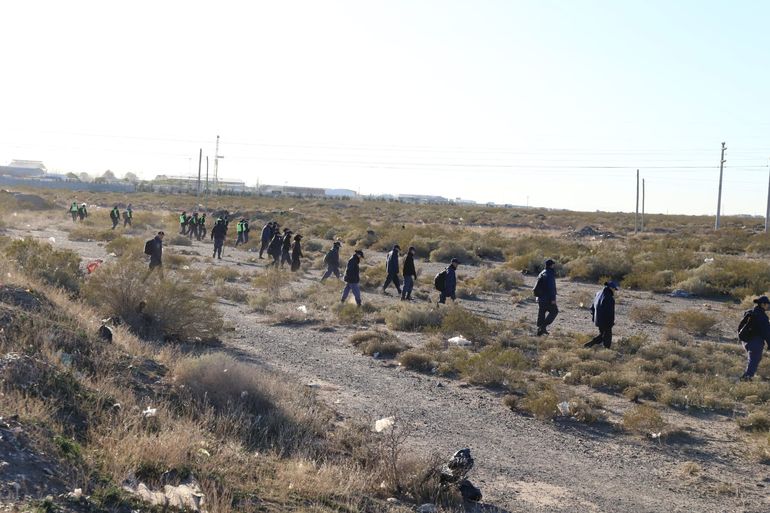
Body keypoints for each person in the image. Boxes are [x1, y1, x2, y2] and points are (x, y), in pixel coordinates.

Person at [741, 296, 770, 380]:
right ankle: (746, 378)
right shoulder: (762, 316)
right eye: (767, 304)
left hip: (746, 340)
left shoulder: (749, 312)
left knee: (753, 359)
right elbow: (766, 332)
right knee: (754, 359)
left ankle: (746, 377)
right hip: (756, 341)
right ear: (762, 304)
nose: (768, 306)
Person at [584, 281, 619, 349]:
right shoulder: (609, 297)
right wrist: (611, 322)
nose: (614, 291)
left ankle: (588, 345)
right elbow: (609, 312)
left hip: (597, 320)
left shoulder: (598, 293)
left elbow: (592, 308)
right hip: (605, 321)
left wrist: (595, 317)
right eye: (614, 289)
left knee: (603, 335)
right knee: (607, 337)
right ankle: (606, 351)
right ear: (611, 288)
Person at [534, 259, 558, 336]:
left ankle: (539, 332)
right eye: (553, 264)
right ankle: (543, 327)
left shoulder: (542, 272)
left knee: (542, 313)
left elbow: (537, 285)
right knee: (554, 311)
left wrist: (537, 297)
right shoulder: (550, 273)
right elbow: (551, 287)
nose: (554, 266)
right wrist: (553, 299)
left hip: (540, 297)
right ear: (551, 265)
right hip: (547, 298)